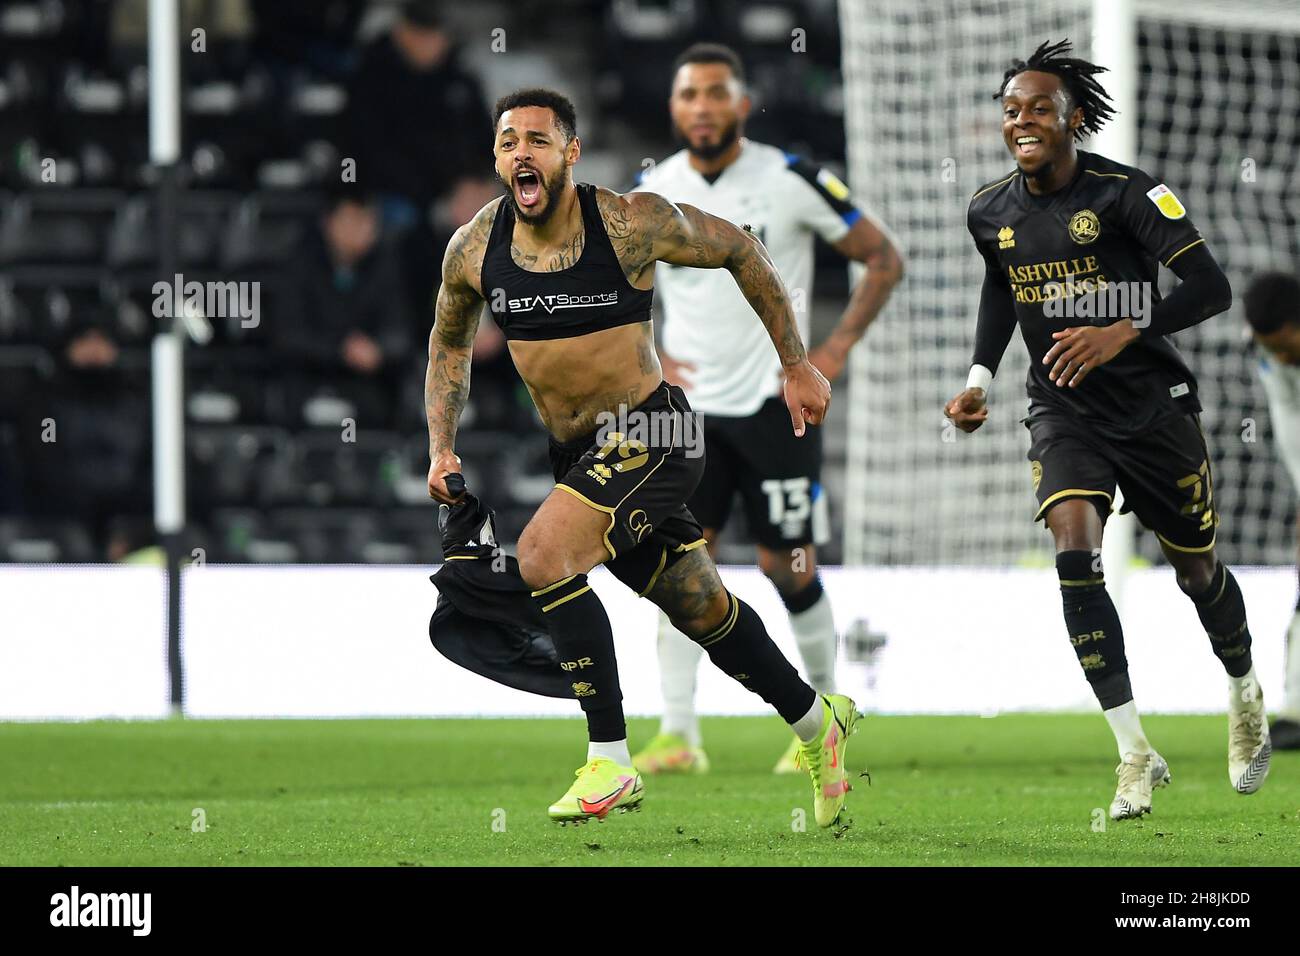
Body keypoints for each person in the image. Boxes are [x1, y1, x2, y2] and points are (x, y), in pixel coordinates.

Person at [426, 88, 861, 827]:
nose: (521, 153)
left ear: (570, 152)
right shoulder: (474, 247)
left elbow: (740, 249)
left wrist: (795, 362)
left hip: (655, 433)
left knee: (543, 555)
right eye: (508, 142)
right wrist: (441, 446)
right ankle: (820, 721)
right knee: (700, 606)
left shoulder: (630, 222)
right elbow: (449, 345)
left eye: (537, 140)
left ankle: (610, 762)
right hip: (579, 456)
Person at [943, 40, 1270, 820]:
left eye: (1040, 108)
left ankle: (1244, 691)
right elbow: (1001, 288)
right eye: (1012, 110)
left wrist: (1125, 329)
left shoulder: (1128, 193)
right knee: (1074, 554)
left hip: (1154, 408)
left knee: (1197, 574)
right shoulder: (989, 210)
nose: (1023, 121)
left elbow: (1211, 287)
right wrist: (979, 380)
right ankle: (1134, 752)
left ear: (1075, 119)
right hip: (1063, 410)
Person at [630, 43, 903, 775]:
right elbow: (620, 286)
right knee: (681, 566)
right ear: (674, 108)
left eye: (716, 92)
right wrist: (649, 355)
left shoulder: (790, 177)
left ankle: (828, 710)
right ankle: (678, 735)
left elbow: (883, 258)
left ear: (742, 103)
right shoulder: (652, 191)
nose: (703, 106)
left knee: (788, 563)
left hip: (774, 408)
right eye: (689, 94)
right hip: (687, 415)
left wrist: (830, 352)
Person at [1243, 271, 1300, 750]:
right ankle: (1297, 710)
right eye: (1271, 348)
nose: (1280, 356)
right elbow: (1290, 425)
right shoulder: (1270, 356)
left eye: (1285, 345)